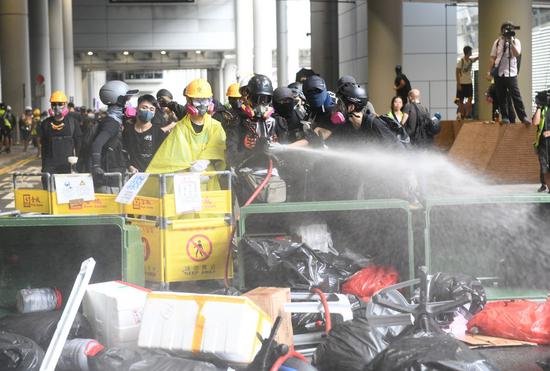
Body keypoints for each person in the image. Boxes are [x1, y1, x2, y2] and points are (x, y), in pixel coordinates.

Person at [146, 79, 226, 178]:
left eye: (205, 100)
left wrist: (205, 161)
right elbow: (171, 156)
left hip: (208, 180)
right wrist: (189, 168)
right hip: (185, 179)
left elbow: (219, 149)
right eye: (197, 100)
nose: (202, 105)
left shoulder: (215, 126)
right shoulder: (180, 127)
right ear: (189, 101)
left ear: (210, 101)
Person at [91, 80, 139, 189]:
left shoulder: (115, 121)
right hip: (109, 180)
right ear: (118, 100)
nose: (129, 103)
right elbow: (97, 144)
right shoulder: (111, 123)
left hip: (114, 175)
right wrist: (96, 166)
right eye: (126, 99)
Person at [487, 21, 530, 125]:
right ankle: (505, 117)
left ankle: (523, 117)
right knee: (501, 97)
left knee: (516, 96)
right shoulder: (497, 42)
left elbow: (516, 53)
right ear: (502, 31)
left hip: (511, 73)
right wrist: (489, 72)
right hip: (499, 73)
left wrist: (510, 42)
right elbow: (492, 58)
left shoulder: (516, 41)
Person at [38, 91, 82, 176]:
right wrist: (44, 166)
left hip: (68, 166)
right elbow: (43, 147)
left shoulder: (72, 122)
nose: (56, 107)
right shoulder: (45, 124)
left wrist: (77, 164)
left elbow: (79, 144)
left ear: (65, 105)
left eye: (60, 104)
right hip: (50, 166)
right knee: (49, 188)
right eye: (54, 104)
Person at [123, 94, 168, 173]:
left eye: (151, 109)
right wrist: (129, 166)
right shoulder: (127, 131)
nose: (148, 111)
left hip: (154, 176)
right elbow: (123, 153)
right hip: (134, 177)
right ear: (137, 109)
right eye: (144, 108)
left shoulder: (159, 132)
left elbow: (165, 155)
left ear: (154, 113)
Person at [533, 92, 550, 193]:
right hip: (543, 144)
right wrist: (539, 107)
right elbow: (535, 122)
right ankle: (546, 186)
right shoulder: (543, 110)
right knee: (544, 167)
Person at [456, 46, 478, 119]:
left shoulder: (470, 60)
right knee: (461, 100)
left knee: (470, 98)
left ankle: (467, 114)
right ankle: (462, 114)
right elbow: (457, 73)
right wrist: (458, 83)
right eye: (471, 51)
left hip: (469, 83)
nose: (471, 52)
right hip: (462, 83)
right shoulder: (461, 61)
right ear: (468, 52)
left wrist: (479, 57)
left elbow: (474, 60)